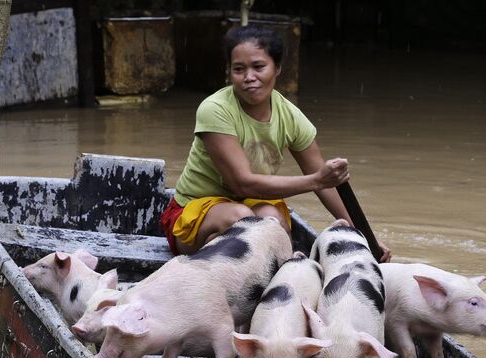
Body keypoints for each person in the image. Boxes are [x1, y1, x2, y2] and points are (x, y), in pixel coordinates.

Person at [159, 25, 391, 261]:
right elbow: (242, 184)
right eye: (239, 69)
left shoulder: (290, 116)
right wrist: (315, 180)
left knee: (274, 220)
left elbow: (326, 185)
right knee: (241, 219)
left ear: (277, 68)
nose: (249, 77)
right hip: (193, 214)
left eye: (259, 67)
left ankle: (248, 267)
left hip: (249, 206)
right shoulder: (215, 109)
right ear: (230, 72)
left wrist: (365, 237)